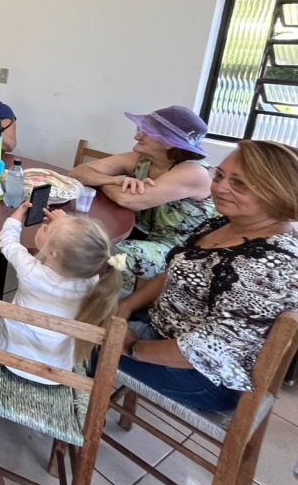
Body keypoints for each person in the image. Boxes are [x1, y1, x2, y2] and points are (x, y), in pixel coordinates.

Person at [115, 140, 298, 411]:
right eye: (220, 175)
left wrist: (131, 347)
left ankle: (72, 411)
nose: (220, 188)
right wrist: (127, 305)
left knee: (74, 340)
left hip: (204, 376)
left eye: (240, 183)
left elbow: (211, 348)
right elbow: (176, 272)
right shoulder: (224, 223)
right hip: (164, 325)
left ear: (278, 193)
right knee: (80, 298)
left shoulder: (271, 264)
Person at [68, 106, 214, 288]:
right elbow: (78, 172)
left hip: (176, 249)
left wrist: (107, 182)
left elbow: (129, 200)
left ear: (168, 142)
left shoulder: (194, 172)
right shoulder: (142, 159)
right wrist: (115, 180)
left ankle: (106, 301)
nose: (137, 136)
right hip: (137, 232)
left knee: (105, 253)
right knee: (82, 236)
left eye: (146, 131)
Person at [0, 205, 121, 383]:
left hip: (8, 355)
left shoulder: (30, 269)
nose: (43, 226)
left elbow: (8, 241)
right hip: (57, 372)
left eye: (47, 229)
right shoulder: (93, 282)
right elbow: (84, 249)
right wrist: (65, 228)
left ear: (53, 253)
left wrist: (19, 213)